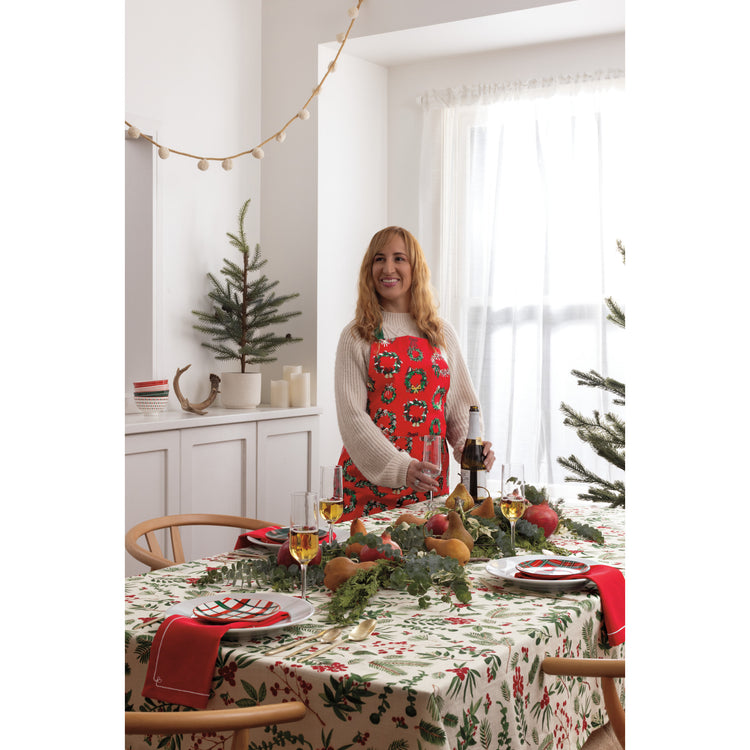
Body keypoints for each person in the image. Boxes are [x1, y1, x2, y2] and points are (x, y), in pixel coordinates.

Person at [335, 226, 495, 520]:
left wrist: (467, 449)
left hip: (430, 486)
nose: (388, 268)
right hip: (367, 488)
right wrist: (401, 467)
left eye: (399, 258)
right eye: (379, 259)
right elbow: (352, 421)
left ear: (415, 267)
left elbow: (460, 406)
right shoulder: (357, 335)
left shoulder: (440, 332)